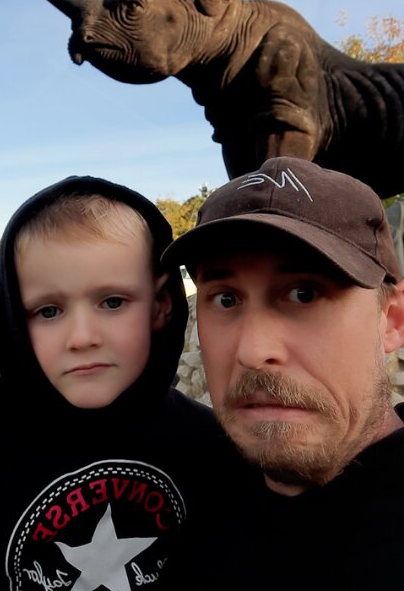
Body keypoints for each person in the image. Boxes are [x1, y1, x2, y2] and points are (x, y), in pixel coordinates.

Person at [0, 176, 240, 590]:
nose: (81, 337)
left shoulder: (202, 441)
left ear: (161, 306)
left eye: (113, 302)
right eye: (49, 311)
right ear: (15, 318)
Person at [160, 156, 404, 589]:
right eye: (226, 299)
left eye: (304, 293)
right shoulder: (181, 491)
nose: (254, 352)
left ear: (393, 320)